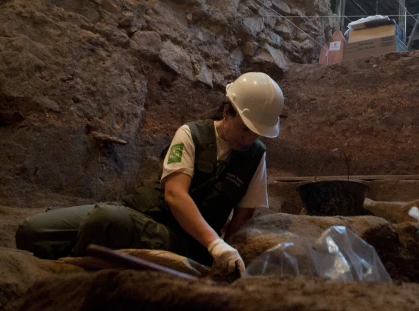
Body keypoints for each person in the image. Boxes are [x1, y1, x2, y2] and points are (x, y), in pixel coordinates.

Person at [15, 72, 284, 274]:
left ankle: (77, 262)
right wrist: (217, 244)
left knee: (104, 220)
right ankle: (94, 245)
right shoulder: (192, 134)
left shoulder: (255, 156)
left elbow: (243, 216)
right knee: (32, 232)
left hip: (185, 239)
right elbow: (175, 195)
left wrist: (223, 252)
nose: (249, 139)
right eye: (244, 129)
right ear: (227, 112)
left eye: (257, 133)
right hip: (145, 213)